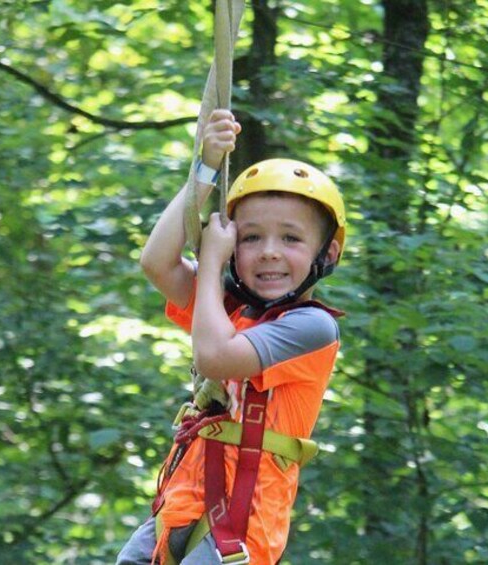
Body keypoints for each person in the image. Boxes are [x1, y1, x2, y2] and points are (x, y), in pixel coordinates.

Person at [117, 109, 347, 565]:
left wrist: (213, 269)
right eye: (251, 237)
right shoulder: (225, 307)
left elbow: (215, 357)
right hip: (181, 506)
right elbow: (157, 263)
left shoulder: (312, 328)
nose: (269, 253)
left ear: (328, 252)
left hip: (241, 529)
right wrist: (204, 168)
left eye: (291, 239)